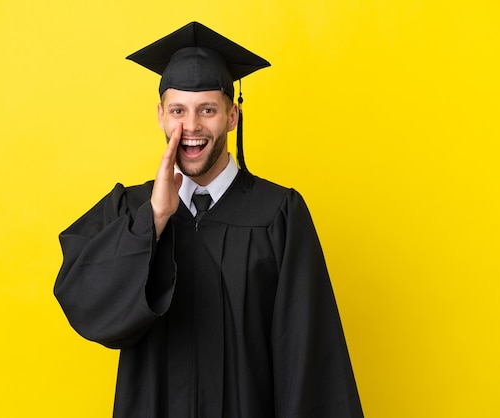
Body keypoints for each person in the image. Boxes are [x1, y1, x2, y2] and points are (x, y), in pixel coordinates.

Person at [54, 22, 363, 418]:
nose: (192, 127)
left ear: (232, 116)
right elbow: (85, 304)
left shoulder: (278, 215)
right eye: (178, 111)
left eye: (208, 110)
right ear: (161, 117)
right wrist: (154, 219)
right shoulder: (130, 210)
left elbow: (307, 355)